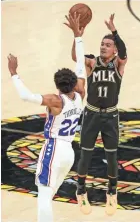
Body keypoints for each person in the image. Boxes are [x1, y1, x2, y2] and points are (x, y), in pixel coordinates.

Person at [7, 15, 86, 222]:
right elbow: (80, 64)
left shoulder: (55, 101)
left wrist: (14, 73)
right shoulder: (80, 95)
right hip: (69, 152)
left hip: (54, 149)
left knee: (43, 195)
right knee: (48, 195)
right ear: (73, 83)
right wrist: (78, 36)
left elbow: (26, 96)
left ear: (57, 85)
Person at [65, 13, 127, 215]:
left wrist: (114, 31)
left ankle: (112, 192)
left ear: (114, 49)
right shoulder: (92, 62)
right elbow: (76, 56)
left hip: (110, 115)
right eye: (102, 43)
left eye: (108, 44)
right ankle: (81, 190)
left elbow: (125, 52)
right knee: (86, 154)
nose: (103, 46)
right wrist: (77, 36)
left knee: (112, 156)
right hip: (91, 113)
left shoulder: (119, 64)